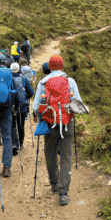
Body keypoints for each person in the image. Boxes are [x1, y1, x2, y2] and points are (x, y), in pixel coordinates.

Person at [32, 55, 82, 206]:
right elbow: (78, 103)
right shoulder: (70, 81)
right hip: (67, 122)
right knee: (66, 155)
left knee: (50, 152)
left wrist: (39, 116)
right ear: (62, 65)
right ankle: (64, 192)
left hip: (50, 122)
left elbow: (35, 107)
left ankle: (54, 183)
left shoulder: (43, 82)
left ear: (50, 66)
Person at [10, 62, 33, 155]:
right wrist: (24, 98)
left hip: (11, 107)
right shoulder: (23, 79)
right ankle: (20, 143)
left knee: (12, 125)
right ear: (19, 69)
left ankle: (14, 144)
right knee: (21, 125)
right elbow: (31, 92)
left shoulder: (9, 79)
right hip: (22, 106)